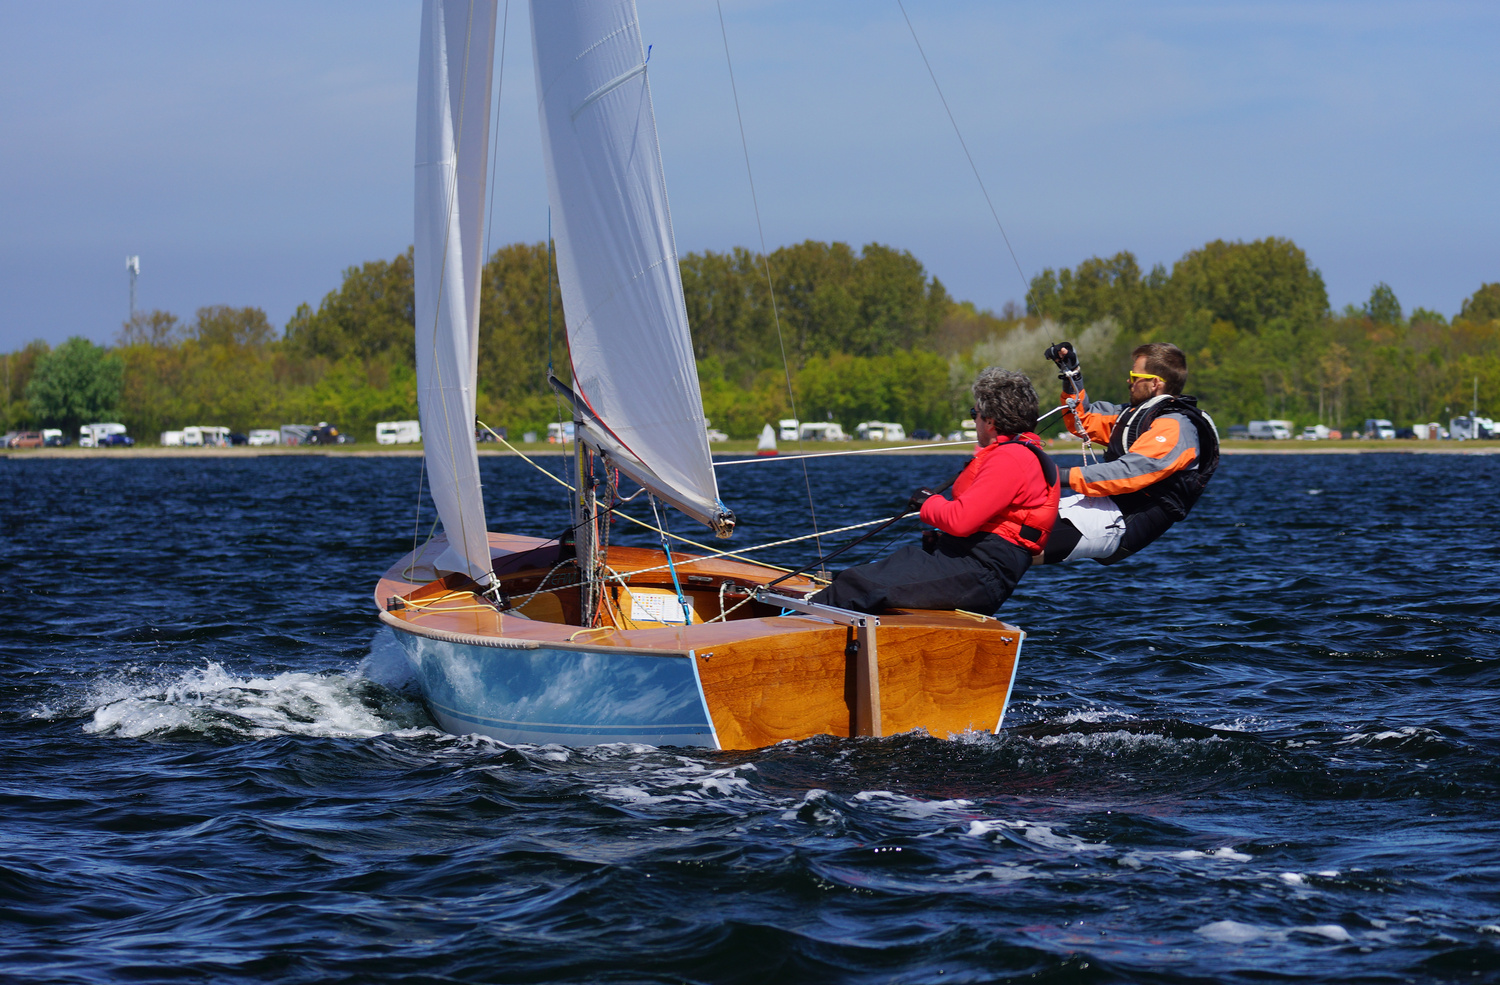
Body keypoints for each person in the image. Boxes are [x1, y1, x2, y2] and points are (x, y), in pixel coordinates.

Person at [809, 368, 1061, 615]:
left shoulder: (1012, 458)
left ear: (990, 421)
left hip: (981, 572)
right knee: (889, 567)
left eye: (975, 413)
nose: (974, 420)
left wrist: (928, 502)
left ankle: (797, 624)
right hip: (975, 567)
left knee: (857, 585)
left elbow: (960, 520)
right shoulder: (1022, 455)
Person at [1039, 341, 1219, 565]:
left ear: (1155, 383)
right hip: (1105, 505)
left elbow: (1129, 472)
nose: (1128, 381)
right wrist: (1072, 374)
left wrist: (1058, 476)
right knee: (1007, 523)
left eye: (1134, 376)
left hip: (1124, 522)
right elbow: (1083, 420)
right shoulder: (1133, 416)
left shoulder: (1176, 427)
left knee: (1013, 544)